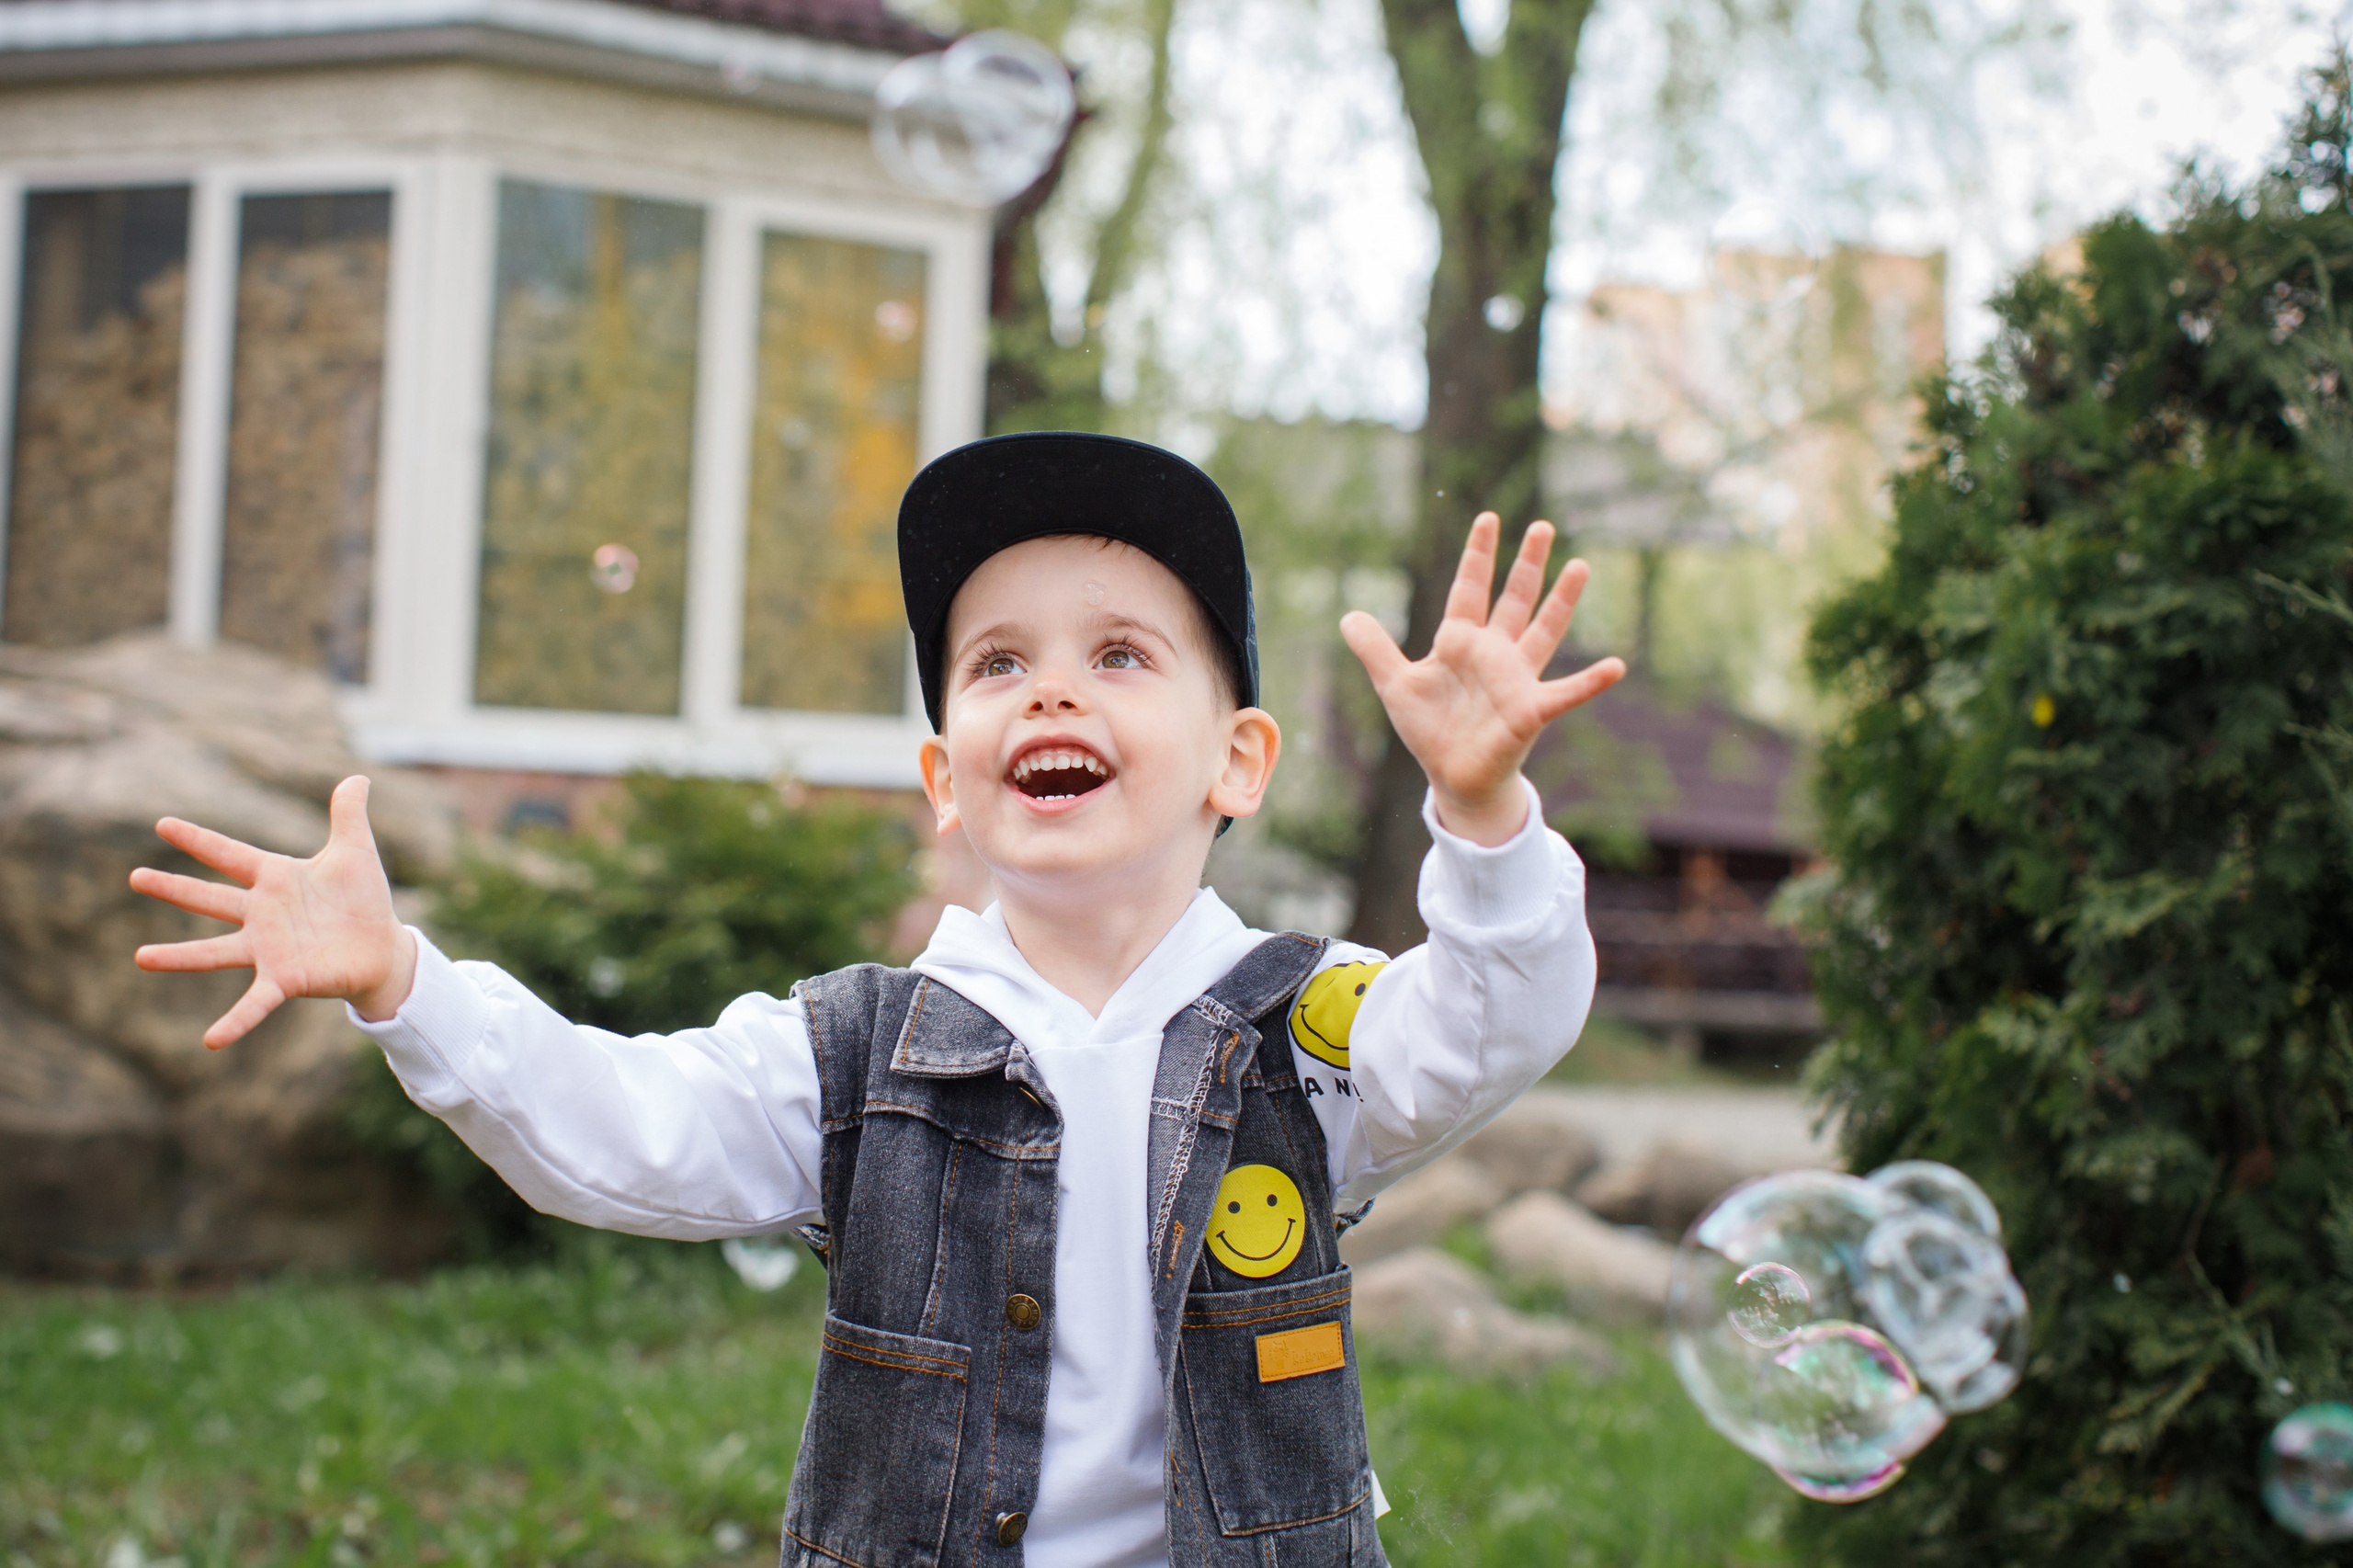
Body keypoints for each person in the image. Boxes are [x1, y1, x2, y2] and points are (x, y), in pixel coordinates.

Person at [131, 431, 1626, 1568]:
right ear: (944, 783)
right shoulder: (856, 1051)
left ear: (1238, 758)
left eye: (1118, 652)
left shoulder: (1305, 1026)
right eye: (997, 663)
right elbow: (620, 1125)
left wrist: (1484, 815)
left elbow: (1490, 1021)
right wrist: (408, 980)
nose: (1051, 691)